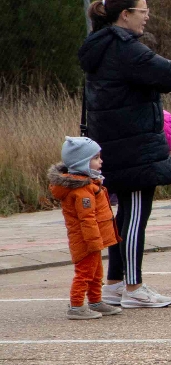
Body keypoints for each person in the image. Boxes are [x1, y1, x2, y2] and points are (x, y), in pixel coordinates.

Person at [79, 0, 171, 309]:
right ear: (125, 15)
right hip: (134, 148)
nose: (147, 16)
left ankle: (114, 283)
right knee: (136, 214)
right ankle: (134, 287)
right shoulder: (126, 49)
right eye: (143, 11)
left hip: (111, 144)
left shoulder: (99, 47)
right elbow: (169, 74)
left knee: (121, 216)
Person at [50, 136, 121, 320]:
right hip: (86, 241)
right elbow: (87, 219)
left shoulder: (90, 185)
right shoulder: (83, 192)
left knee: (96, 272)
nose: (101, 161)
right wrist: (94, 242)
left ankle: (95, 301)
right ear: (82, 163)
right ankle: (76, 306)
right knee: (85, 273)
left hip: (92, 240)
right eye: (96, 158)